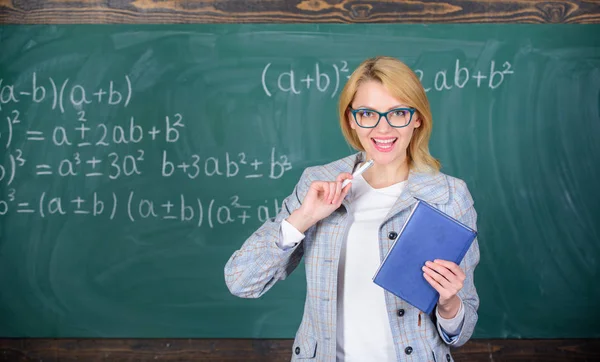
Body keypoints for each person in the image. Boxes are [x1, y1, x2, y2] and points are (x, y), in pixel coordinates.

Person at [224, 56, 480, 362]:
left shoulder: (449, 195)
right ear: (351, 119)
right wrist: (303, 218)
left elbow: (461, 331)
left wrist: (449, 303)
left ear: (417, 118)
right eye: (368, 114)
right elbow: (241, 281)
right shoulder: (317, 184)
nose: (382, 128)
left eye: (398, 112)